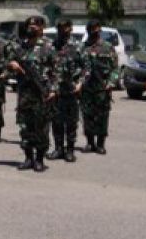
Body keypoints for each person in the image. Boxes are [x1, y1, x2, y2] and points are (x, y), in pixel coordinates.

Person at [7, 15, 58, 172]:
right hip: (25, 94)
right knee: (25, 128)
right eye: (29, 25)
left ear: (41, 28)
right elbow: (8, 62)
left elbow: (58, 71)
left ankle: (40, 159)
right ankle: (28, 158)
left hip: (42, 94)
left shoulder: (49, 47)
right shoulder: (21, 47)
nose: (31, 28)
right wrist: (12, 64)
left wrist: (54, 90)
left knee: (41, 128)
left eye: (35, 26)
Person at [80, 19, 119, 154]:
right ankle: (90, 143)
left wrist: (111, 82)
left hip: (103, 87)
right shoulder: (83, 48)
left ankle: (100, 144)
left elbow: (115, 68)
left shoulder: (108, 47)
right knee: (87, 115)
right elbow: (78, 68)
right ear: (88, 31)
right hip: (87, 88)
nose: (95, 33)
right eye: (92, 30)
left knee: (102, 116)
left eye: (97, 30)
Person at [49, 19, 83, 162]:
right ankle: (58, 148)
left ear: (70, 28)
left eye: (65, 28)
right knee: (56, 121)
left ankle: (69, 150)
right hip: (55, 90)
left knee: (70, 122)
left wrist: (80, 83)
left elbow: (86, 67)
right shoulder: (51, 46)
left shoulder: (77, 46)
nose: (62, 30)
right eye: (59, 28)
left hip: (71, 90)